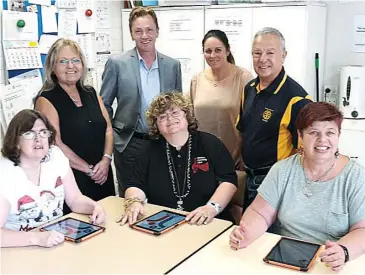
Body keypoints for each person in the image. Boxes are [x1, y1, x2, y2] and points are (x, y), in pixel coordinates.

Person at [230, 102, 365, 271]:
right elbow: (260, 213)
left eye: (330, 132)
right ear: (300, 137)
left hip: (331, 263)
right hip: (286, 259)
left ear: (338, 136)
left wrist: (343, 251)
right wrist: (246, 233)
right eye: (313, 132)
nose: (322, 140)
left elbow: (362, 230)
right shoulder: (282, 170)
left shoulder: (356, 177)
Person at [118, 92, 237, 226]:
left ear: (186, 115)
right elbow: (134, 184)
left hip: (209, 222)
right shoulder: (147, 150)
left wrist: (211, 208)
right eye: (162, 117)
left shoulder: (210, 143)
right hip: (164, 222)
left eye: (175, 113)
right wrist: (134, 202)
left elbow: (228, 181)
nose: (169, 119)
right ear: (156, 124)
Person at [100, 7, 182, 197]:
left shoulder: (172, 66)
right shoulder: (117, 63)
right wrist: (111, 135)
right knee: (131, 200)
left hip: (164, 141)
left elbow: (178, 106)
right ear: (131, 34)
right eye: (138, 31)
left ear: (157, 31)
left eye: (149, 30)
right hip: (130, 142)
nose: (144, 36)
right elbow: (103, 104)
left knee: (163, 195)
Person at [0, 110, 106, 248]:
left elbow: (74, 200)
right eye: (29, 134)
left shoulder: (55, 156)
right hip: (18, 250)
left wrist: (94, 207)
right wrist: (36, 238)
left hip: (55, 243)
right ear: (16, 142)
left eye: (44, 132)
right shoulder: (5, 172)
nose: (38, 139)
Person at [34, 38, 115, 215]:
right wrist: (89, 169)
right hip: (72, 179)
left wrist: (106, 159)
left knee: (107, 221)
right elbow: (55, 144)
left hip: (103, 173)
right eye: (63, 61)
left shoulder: (91, 92)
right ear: (53, 68)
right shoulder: (46, 99)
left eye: (75, 60)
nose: (70, 66)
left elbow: (108, 129)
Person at [235, 27, 311, 212]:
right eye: (257, 53)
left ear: (283, 55)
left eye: (270, 53)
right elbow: (244, 130)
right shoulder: (249, 88)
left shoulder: (297, 99)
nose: (263, 59)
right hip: (250, 177)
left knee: (267, 237)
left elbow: (304, 152)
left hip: (276, 183)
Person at [190, 29, 253, 165]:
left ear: (228, 50)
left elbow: (252, 122)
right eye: (208, 51)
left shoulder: (243, 78)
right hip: (202, 160)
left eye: (218, 50)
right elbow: (189, 120)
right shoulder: (196, 80)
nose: (212, 55)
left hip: (235, 159)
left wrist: (245, 155)